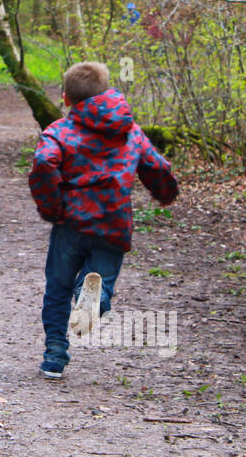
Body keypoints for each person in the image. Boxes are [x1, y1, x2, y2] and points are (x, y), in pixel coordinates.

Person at [27, 61, 178, 379]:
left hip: (71, 223)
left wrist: (52, 208)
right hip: (113, 223)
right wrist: (165, 194)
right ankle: (93, 299)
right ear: (107, 93)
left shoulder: (59, 132)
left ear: (66, 99)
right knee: (99, 283)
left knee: (57, 289)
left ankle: (54, 355)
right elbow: (157, 167)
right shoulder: (130, 132)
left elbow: (43, 163)